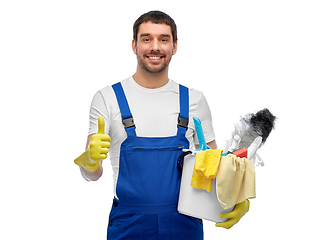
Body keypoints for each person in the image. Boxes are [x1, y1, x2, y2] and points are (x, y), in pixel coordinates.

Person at [74, 10, 249, 240]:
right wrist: (89, 160)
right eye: (146, 39)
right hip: (128, 226)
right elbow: (92, 174)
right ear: (134, 45)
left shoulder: (194, 100)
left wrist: (238, 197)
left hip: (184, 224)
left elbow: (214, 168)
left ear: (174, 47)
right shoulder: (107, 98)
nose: (154, 46)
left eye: (163, 39)